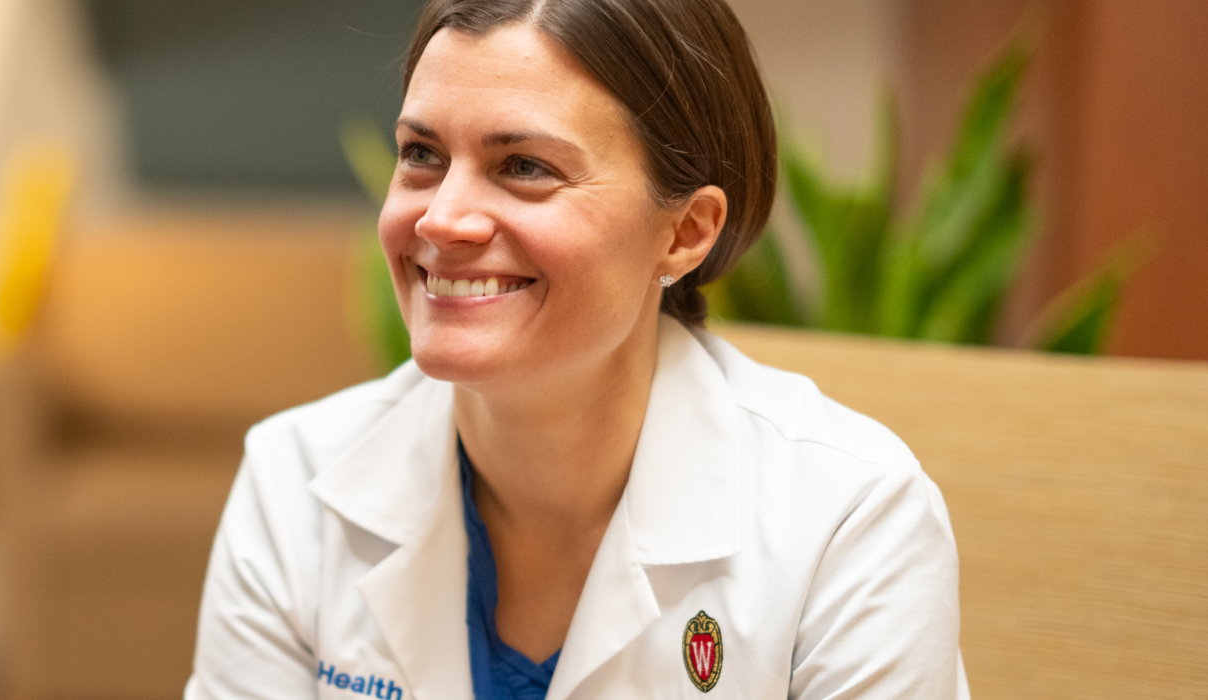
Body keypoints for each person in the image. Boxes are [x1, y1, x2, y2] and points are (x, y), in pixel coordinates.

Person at [185, 0, 967, 698]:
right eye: (422, 155)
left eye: (524, 167)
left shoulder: (852, 521)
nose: (441, 219)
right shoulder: (294, 480)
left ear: (686, 232)